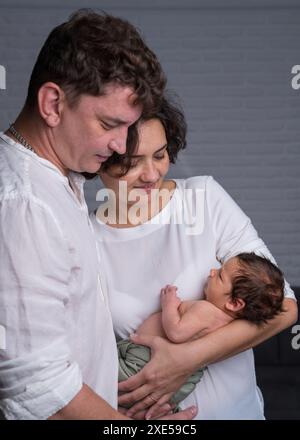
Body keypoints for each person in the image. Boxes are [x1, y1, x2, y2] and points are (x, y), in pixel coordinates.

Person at [0, 10, 197, 421]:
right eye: (110, 123)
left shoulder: (61, 179)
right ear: (53, 104)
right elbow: (38, 388)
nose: (121, 146)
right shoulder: (26, 206)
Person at [91, 96, 298, 419]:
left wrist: (185, 359)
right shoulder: (87, 237)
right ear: (102, 159)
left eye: (159, 156)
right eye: (132, 162)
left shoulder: (203, 199)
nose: (151, 174)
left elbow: (284, 305)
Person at [118, 252, 285, 409]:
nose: (212, 271)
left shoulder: (206, 310)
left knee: (103, 378)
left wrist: (169, 304)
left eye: (220, 275)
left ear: (234, 304)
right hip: (181, 381)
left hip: (144, 360)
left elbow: (176, 332)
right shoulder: (228, 322)